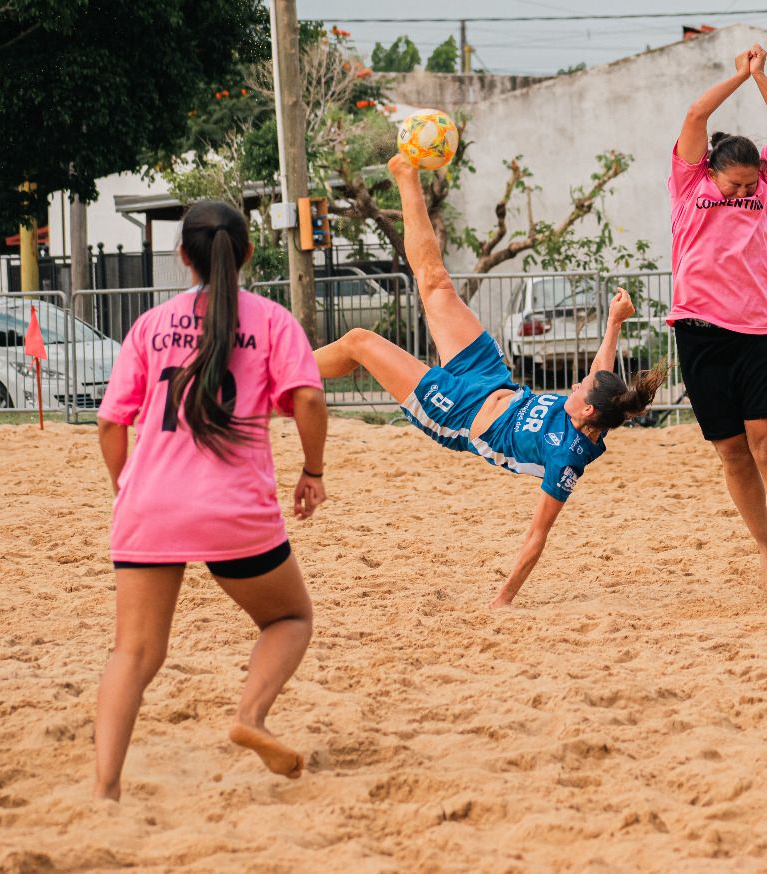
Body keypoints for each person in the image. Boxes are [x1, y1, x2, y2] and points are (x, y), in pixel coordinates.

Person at [314, 154, 664, 609]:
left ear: (588, 412)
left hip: (457, 413)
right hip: (489, 376)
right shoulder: (595, 405)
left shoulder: (566, 461)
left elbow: (537, 536)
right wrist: (615, 322)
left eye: (578, 390)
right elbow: (600, 374)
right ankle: (406, 175)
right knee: (437, 283)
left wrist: (503, 600)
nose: (573, 387)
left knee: (360, 341)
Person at [92, 201, 328, 801]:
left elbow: (109, 424)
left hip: (151, 505)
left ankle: (105, 790)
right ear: (247, 253)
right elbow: (310, 402)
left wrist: (126, 486)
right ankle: (250, 717)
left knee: (134, 654)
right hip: (234, 511)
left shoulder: (151, 324)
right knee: (289, 618)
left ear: (182, 257)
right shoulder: (273, 322)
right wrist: (312, 470)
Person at [670, 43, 767, 597]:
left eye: (752, 184)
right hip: (700, 331)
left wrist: (761, 78)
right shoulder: (689, 182)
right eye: (737, 184)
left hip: (760, 329)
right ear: (714, 170)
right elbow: (697, 116)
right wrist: (736, 78)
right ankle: (765, 551)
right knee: (731, 451)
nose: (746, 191)